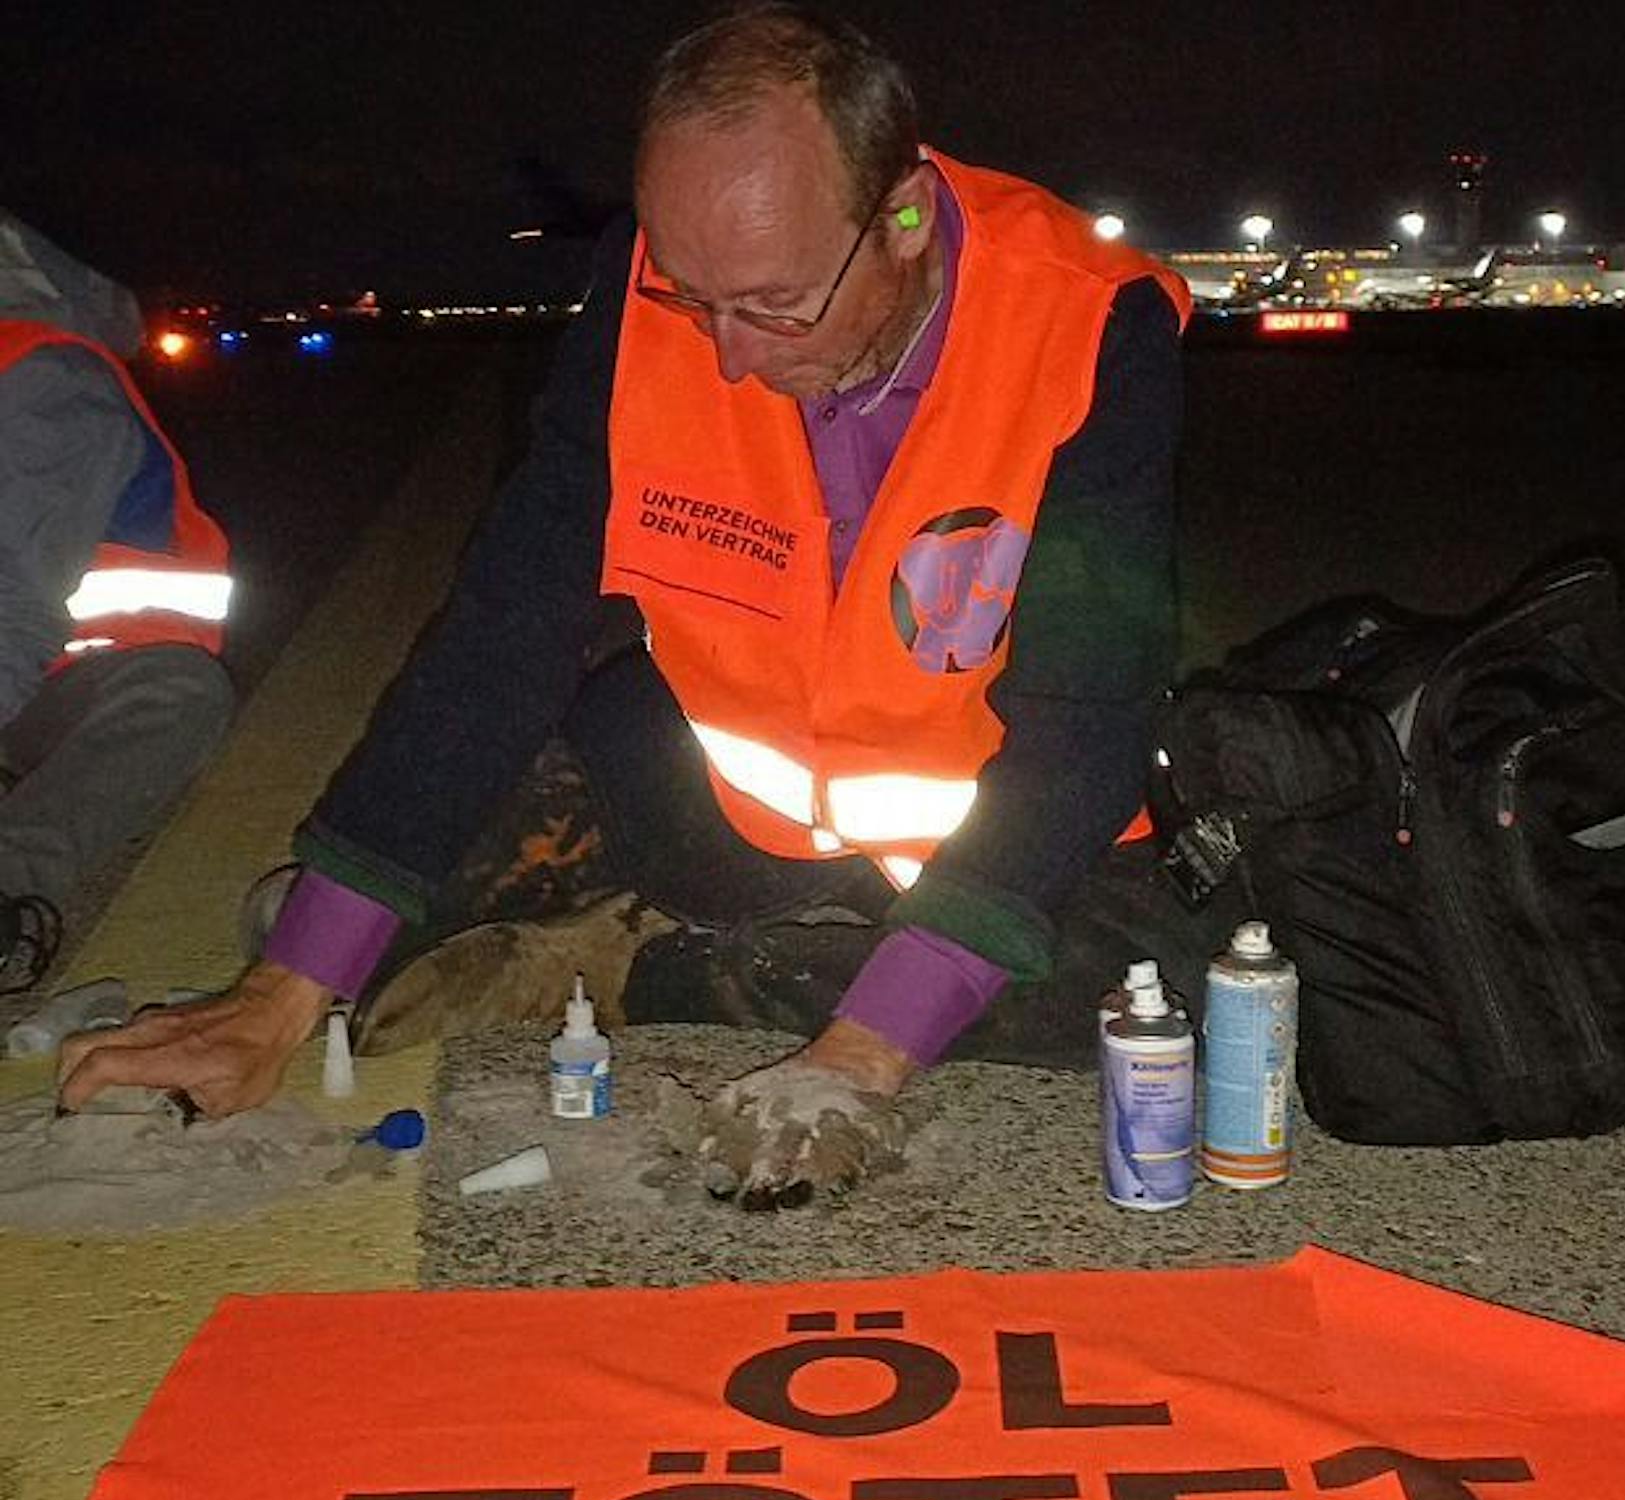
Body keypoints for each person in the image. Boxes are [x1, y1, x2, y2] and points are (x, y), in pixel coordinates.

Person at [60, 4, 1201, 1204]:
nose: (727, 359)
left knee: (1139, 1005)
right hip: (716, 812)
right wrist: (280, 994)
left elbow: (1085, 724)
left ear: (905, 217)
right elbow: (507, 623)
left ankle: (644, 971)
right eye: (692, 300)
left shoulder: (1084, 324)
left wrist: (856, 1058)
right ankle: (661, 952)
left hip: (994, 841)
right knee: (327, 904)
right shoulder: (659, 289)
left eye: (774, 304)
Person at [0, 211, 235, 992]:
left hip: (75, 678)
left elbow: (15, 616)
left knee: (177, 696)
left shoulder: (39, 385)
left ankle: (12, 881)